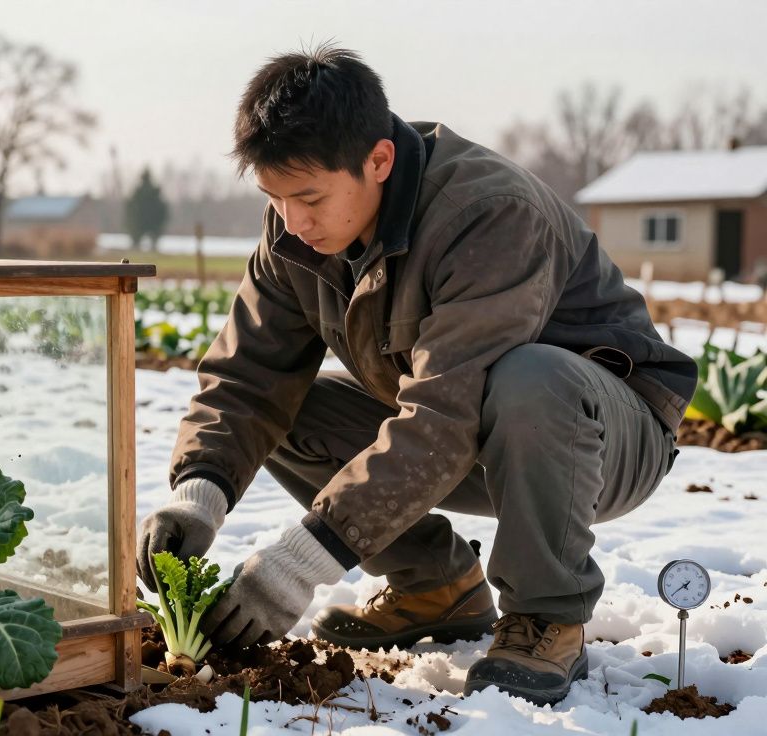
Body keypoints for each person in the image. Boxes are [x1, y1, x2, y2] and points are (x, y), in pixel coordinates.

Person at [136, 43, 696, 706]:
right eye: (275, 198)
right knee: (292, 409)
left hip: (602, 436)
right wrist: (199, 491)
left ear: (379, 160)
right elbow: (247, 377)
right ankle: (435, 585)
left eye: (309, 197)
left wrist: (302, 561)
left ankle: (547, 615)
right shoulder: (295, 233)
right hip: (473, 431)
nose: (293, 221)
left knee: (531, 375)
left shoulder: (488, 213)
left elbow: (446, 412)